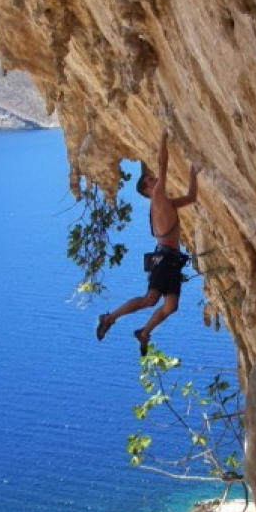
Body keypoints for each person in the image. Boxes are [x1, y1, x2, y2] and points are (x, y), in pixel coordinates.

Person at [96, 133, 198, 356]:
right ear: (147, 189)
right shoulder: (157, 198)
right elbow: (163, 164)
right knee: (150, 299)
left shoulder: (166, 202)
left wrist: (193, 170)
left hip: (171, 260)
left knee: (171, 306)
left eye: (153, 179)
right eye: (150, 181)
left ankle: (144, 332)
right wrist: (163, 134)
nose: (154, 180)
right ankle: (109, 317)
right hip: (164, 259)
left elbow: (191, 197)